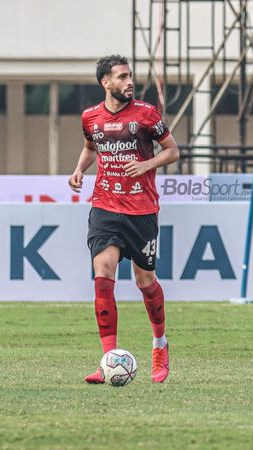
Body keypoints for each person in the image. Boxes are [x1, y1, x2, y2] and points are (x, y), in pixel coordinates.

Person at [68, 54, 180, 384]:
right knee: (102, 273)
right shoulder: (90, 117)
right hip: (104, 206)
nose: (129, 81)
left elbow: (173, 151)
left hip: (142, 210)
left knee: (145, 282)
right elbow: (92, 147)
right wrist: (78, 170)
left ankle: (160, 345)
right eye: (122, 77)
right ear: (106, 83)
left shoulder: (146, 115)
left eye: (130, 76)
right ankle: (107, 361)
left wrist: (146, 166)